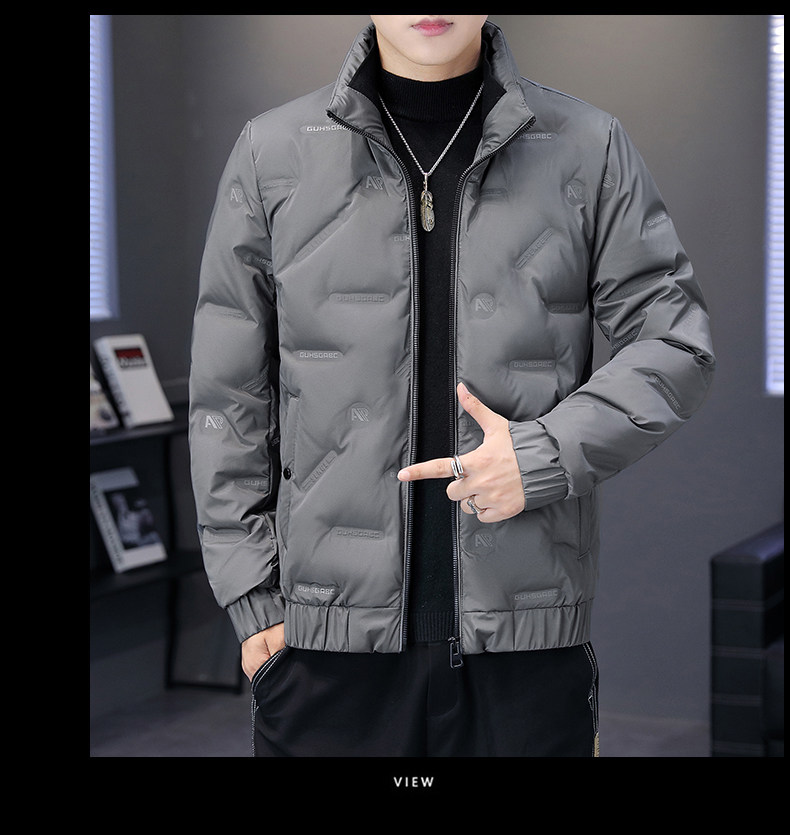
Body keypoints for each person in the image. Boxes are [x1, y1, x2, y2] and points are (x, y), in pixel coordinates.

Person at [189, 15, 715, 758]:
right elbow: (228, 397)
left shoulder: (587, 146)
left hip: (525, 647)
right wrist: (253, 597)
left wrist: (541, 454)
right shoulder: (271, 153)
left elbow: (676, 344)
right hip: (320, 650)